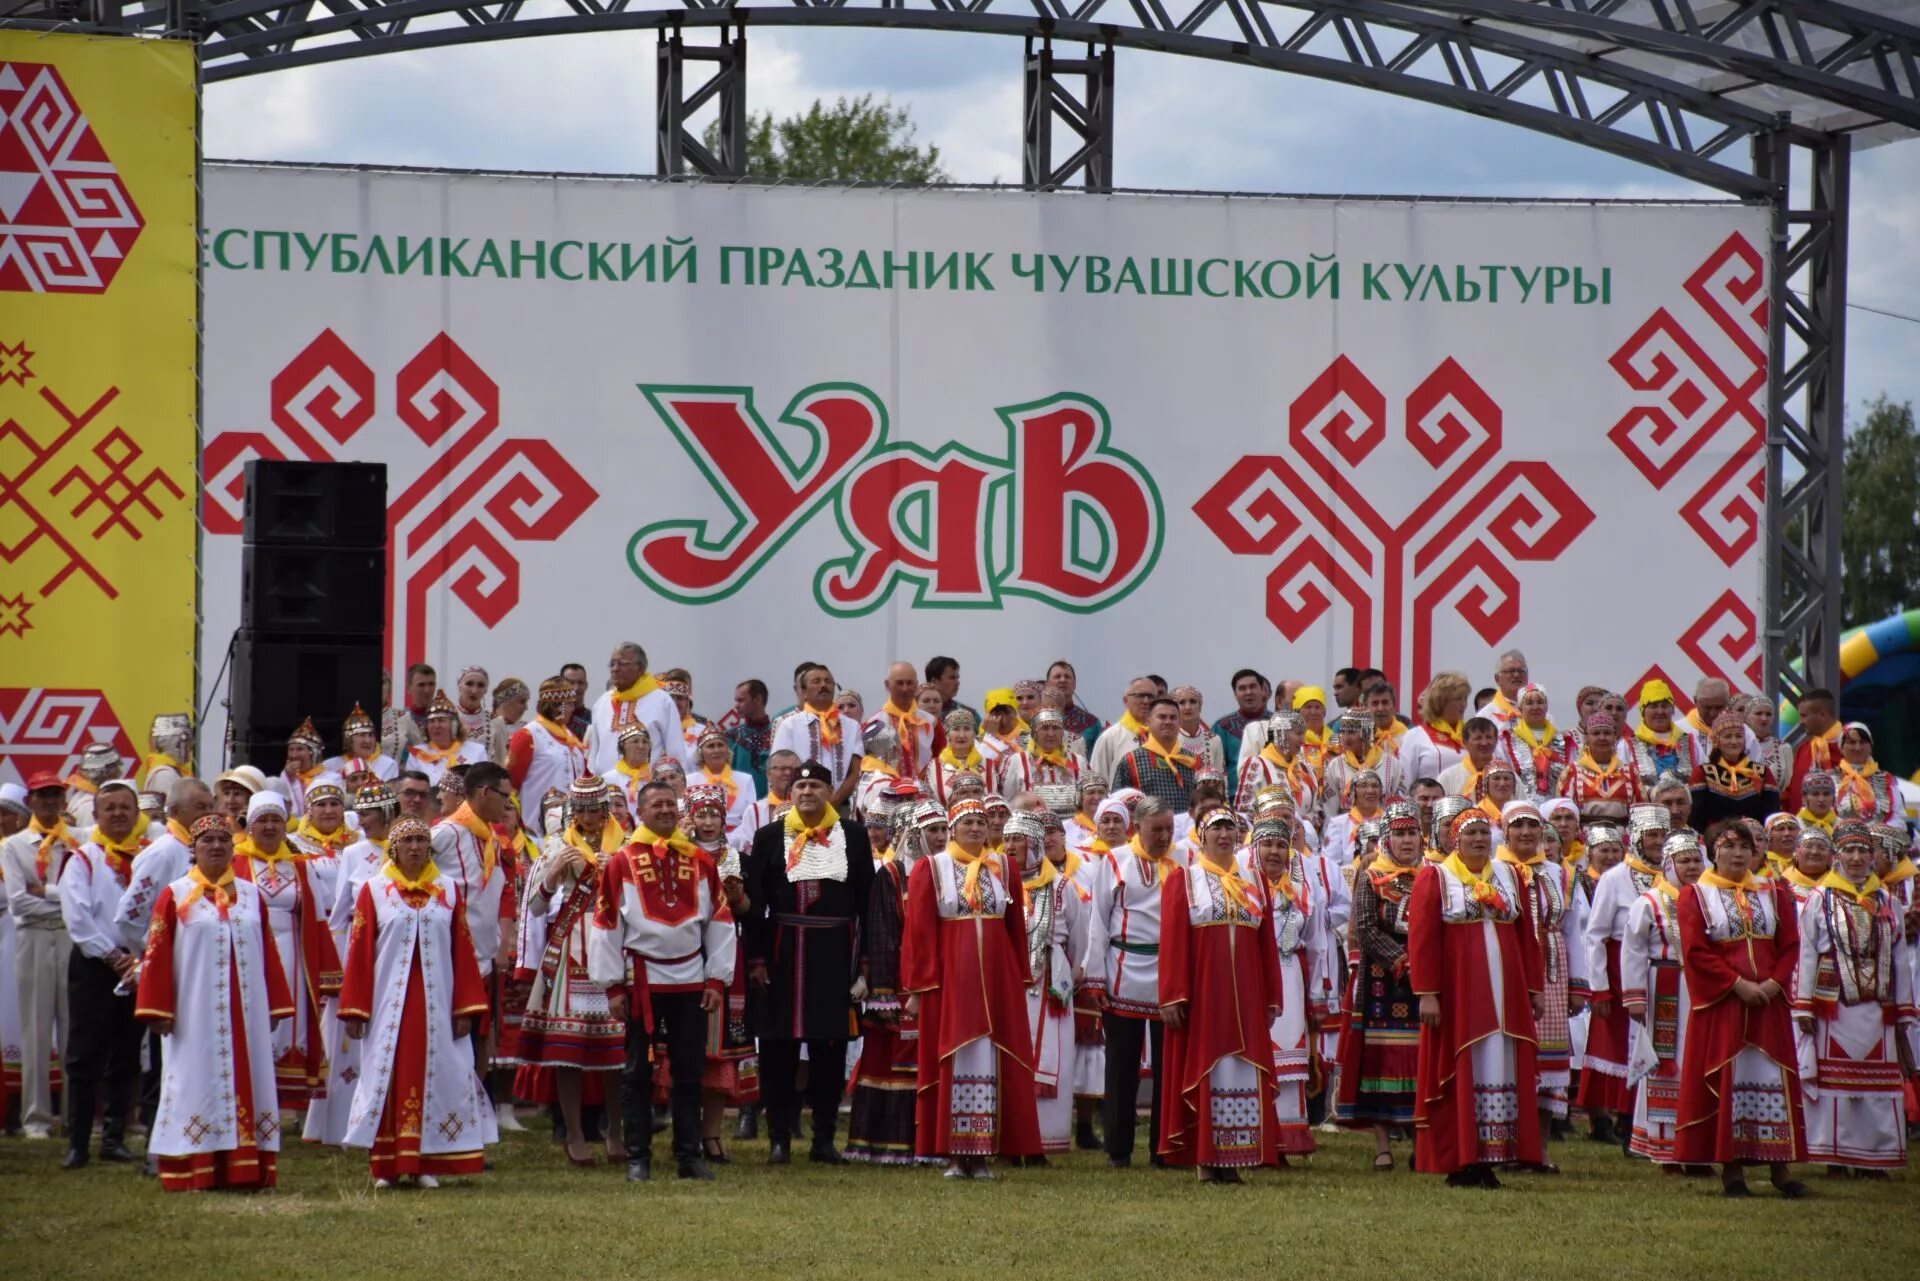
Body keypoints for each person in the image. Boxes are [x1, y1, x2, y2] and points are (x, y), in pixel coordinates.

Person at [136, 815, 295, 1190]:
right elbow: (157, 954)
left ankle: (245, 1169)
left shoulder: (252, 895)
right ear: (194, 848)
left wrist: (275, 1003)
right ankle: (196, 1168)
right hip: (194, 1014)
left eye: (224, 840)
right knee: (196, 1081)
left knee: (248, 1077)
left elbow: (267, 950)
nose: (217, 846)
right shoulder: (175, 896)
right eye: (207, 840)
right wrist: (158, 1008)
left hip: (246, 1013)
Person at [587, 781, 735, 1182]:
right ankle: (639, 1157)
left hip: (691, 977)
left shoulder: (701, 861)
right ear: (641, 811)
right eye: (657, 805)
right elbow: (606, 924)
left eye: (671, 804)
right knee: (636, 1071)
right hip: (642, 979)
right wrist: (612, 986)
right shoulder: (621, 862)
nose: (666, 810)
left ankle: (688, 1156)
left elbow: (720, 921)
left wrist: (716, 979)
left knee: (689, 1069)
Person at [337, 816, 493, 1188]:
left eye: (422, 842)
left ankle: (425, 1161)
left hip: (437, 1004)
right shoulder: (374, 891)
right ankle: (386, 1165)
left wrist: (466, 1007)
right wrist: (355, 1007)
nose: (415, 848)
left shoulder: (448, 891)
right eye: (407, 842)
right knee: (387, 1075)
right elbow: (359, 951)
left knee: (436, 1074)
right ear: (393, 849)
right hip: (389, 1004)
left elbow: (463, 952)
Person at [900, 798, 1042, 1178]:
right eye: (968, 823)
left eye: (981, 822)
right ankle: (953, 1153)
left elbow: (1014, 926)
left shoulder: (1004, 867)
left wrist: (1018, 976)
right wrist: (919, 987)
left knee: (992, 1057)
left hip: (998, 980)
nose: (977, 828)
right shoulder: (931, 868)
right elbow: (919, 930)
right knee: (955, 1055)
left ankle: (982, 1151)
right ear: (952, 830)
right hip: (952, 981)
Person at [743, 760, 874, 1164]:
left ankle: (822, 1139)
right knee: (779, 1050)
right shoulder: (769, 837)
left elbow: (867, 901)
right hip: (783, 951)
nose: (807, 792)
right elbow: (754, 905)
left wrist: (866, 962)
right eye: (800, 786)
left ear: (830, 792)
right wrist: (757, 959)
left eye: (816, 785)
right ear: (789, 793)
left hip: (834, 951)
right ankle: (778, 1138)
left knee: (829, 1050)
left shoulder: (853, 836)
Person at [1408, 809, 1545, 1186]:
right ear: (1455, 840)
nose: (1480, 840)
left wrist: (1534, 988)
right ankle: (1463, 1157)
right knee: (1464, 1063)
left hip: (1507, 992)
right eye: (1471, 834)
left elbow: (1525, 936)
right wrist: (1427, 993)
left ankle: (1495, 1150)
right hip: (1460, 991)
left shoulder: (1510, 876)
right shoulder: (1436, 877)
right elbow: (1422, 940)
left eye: (1485, 832)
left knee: (1501, 1060)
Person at [1674, 818, 1809, 1197]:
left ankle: (1780, 1167)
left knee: (1771, 1078)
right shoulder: (1696, 895)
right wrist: (1737, 985)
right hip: (1724, 1003)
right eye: (1728, 846)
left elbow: (1790, 944)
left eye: (1744, 847)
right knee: (1729, 1079)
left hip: (1767, 1001)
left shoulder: (1775, 891)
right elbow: (1695, 951)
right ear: (1712, 853)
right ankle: (1731, 1169)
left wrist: (1773, 983)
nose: (1737, 853)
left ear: (1756, 852)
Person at [1152, 808, 1284, 1182]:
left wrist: (1272, 996)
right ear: (1201, 835)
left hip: (1246, 992)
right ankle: (1205, 1160)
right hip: (1205, 993)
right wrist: (1173, 994)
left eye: (1230, 828)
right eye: (1216, 829)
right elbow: (1173, 941)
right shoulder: (1186, 880)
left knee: (1242, 1066)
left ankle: (1236, 1156)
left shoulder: (1254, 880)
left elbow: (1266, 944)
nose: (1224, 835)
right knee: (1208, 1064)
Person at [511, 776, 629, 1166]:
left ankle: (615, 1129)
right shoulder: (558, 848)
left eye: (595, 809)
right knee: (569, 1049)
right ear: (571, 813)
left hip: (614, 948)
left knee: (617, 1045)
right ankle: (574, 1131)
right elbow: (536, 906)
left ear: (606, 810)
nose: (589, 817)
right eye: (581, 810)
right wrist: (554, 873)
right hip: (572, 950)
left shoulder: (626, 846)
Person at [1794, 820, 1915, 1177]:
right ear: (1837, 857)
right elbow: (1806, 952)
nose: (1858, 857)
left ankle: (1873, 1156)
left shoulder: (1886, 900)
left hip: (1878, 1006)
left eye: (1864, 850)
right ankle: (1834, 1156)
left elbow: (1899, 957)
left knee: (1875, 1082)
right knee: (1836, 1083)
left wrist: (1905, 1007)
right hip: (1832, 1003)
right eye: (1849, 850)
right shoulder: (1820, 898)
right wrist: (1802, 1002)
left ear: (1874, 856)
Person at [1085, 795, 1185, 1167]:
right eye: (1155, 830)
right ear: (1136, 828)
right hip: (1123, 968)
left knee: (1168, 1064)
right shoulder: (1115, 861)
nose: (1163, 837)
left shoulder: (1183, 861)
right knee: (1121, 1064)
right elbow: (1097, 920)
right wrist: (1096, 978)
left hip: (1168, 973)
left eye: (1168, 829)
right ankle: (1118, 1148)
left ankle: (1163, 1148)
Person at [230, 790, 341, 1111]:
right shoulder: (236, 862)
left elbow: (319, 918)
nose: (269, 827)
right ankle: (250, 1096)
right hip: (252, 954)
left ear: (285, 825)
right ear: (249, 825)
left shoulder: (301, 867)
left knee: (290, 1023)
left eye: (275, 820)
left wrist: (329, 972)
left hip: (293, 955)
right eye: (261, 820)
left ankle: (284, 1101)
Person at [847, 802, 943, 1165]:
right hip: (899, 984)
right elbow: (881, 932)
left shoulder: (949, 871)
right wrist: (884, 994)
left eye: (942, 830)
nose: (938, 837)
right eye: (930, 830)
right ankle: (887, 1142)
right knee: (889, 1062)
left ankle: (932, 1140)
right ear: (910, 832)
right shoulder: (891, 874)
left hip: (939, 982)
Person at [55, 779, 145, 1168]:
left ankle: (113, 1136)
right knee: (84, 1052)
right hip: (95, 966)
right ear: (95, 816)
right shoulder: (83, 859)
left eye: (126, 807)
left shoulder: (146, 857)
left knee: (126, 1050)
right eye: (110, 808)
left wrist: (137, 958)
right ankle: (77, 1141)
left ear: (137, 813)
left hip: (137, 966)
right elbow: (77, 918)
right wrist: (113, 956)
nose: (119, 814)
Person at [1337, 801, 1424, 1168]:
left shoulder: (1432, 874)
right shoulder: (1370, 875)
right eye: (1400, 834)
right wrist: (1403, 962)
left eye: (1412, 833)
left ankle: (1423, 1141)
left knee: (1423, 1057)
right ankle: (1383, 1146)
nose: (1407, 840)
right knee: (1380, 1056)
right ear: (1387, 838)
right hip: (1380, 981)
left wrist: (1425, 964)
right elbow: (1367, 928)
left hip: (1424, 979)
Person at [1242, 812, 1331, 1165]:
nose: (1275, 852)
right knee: (1257, 1056)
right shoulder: (1243, 887)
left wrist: (1317, 995)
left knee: (1289, 1064)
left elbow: (1316, 944)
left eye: (1281, 844)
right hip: (1255, 977)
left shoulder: (1302, 892)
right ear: (1254, 849)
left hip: (1290, 975)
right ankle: (1256, 1138)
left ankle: (1285, 1142)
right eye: (1267, 844)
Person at [1497, 799, 1586, 1146]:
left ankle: (1541, 1145)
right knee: (1510, 1054)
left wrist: (1578, 985)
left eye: (1532, 826)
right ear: (1505, 831)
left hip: (1551, 965)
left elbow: (1572, 930)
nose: (1525, 832)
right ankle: (1507, 1138)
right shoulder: (1493, 871)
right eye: (1517, 825)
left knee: (1549, 1062)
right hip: (1508, 965)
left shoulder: (1557, 873)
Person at [1621, 830, 1709, 1169]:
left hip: (1702, 985)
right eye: (1683, 860)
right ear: (1669, 864)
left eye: (1696, 860)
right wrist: (1635, 996)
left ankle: (1696, 1142)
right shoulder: (1650, 901)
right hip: (1665, 984)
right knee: (1665, 1064)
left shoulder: (1709, 898)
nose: (1691, 866)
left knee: (1698, 1060)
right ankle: (1664, 1146)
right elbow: (1632, 950)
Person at [680, 784, 758, 1164]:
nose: (708, 821)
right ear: (689, 818)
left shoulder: (737, 858)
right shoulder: (677, 853)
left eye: (714, 815)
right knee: (686, 1047)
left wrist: (739, 896)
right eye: (701, 814)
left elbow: (751, 912)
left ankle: (711, 1133)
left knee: (722, 1049)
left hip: (728, 957)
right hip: (685, 954)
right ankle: (686, 1131)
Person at [3, 771, 79, 1139]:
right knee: (35, 1028)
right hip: (31, 938)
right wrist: (62, 900)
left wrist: (45, 892)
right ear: (30, 801)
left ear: (64, 799)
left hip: (68, 938)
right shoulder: (13, 845)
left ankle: (71, 1115)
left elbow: (82, 899)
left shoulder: (78, 841)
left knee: (71, 1027)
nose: (49, 801)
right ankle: (36, 1118)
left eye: (55, 794)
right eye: (42, 794)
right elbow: (18, 904)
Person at [1010, 811, 1087, 1160]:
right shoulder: (995, 880)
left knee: (1053, 1054)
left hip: (1051, 983)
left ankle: (1045, 1140)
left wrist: (1065, 974)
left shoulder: (1060, 886)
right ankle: (1012, 1138)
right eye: (1007, 839)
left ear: (1036, 844)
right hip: (1010, 981)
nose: (1010, 846)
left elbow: (1080, 941)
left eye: (1018, 839)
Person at [771, 662, 865, 806]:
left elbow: (855, 770)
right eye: (816, 681)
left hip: (840, 806)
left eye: (828, 681)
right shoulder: (789, 726)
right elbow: (781, 771)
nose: (823, 685)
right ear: (803, 692)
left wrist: (836, 799)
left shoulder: (851, 726)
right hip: (799, 806)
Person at [506, 676, 589, 837]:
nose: (573, 709)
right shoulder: (529, 734)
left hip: (572, 830)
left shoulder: (570, 737)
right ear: (557, 706)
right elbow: (510, 783)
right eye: (569, 704)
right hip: (535, 829)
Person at [585, 642, 681, 775]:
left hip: (648, 788)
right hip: (607, 788)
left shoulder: (661, 701)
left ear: (640, 668)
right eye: (612, 664)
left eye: (622, 663)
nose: (615, 669)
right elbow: (594, 751)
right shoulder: (602, 703)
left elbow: (675, 749)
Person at [1689, 710, 1780, 829]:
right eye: (1727, 736)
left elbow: (1771, 815)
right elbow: (1696, 818)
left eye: (1739, 736)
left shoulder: (1761, 772)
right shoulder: (1703, 773)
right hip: (1714, 842)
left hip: (1753, 841)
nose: (1734, 741)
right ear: (1717, 741)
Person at [1112, 697, 1198, 814]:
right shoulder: (1131, 761)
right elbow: (1117, 806)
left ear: (1180, 722)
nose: (1168, 721)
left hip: (1187, 831)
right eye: (1162, 717)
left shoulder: (1192, 761)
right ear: (1148, 722)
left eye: (1173, 718)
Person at [1319, 709, 1403, 829]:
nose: (1345, 738)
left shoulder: (1392, 764)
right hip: (1346, 835)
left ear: (1368, 733)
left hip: (1383, 832)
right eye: (1343, 732)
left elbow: (1399, 805)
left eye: (1352, 732)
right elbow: (1330, 812)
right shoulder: (1335, 765)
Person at [1557, 713, 1643, 825]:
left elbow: (1642, 812)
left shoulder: (1630, 772)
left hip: (1623, 838)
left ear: (1615, 737)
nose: (1602, 738)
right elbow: (1561, 813)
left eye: (1607, 733)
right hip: (1585, 838)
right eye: (1596, 733)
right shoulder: (1571, 772)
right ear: (1586, 738)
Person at [1497, 684, 1573, 801]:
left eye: (1540, 702)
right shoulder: (1506, 739)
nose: (1535, 707)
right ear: (1520, 708)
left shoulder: (1563, 740)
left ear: (1546, 707)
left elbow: (1571, 775)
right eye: (1529, 703)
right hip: (1521, 807)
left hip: (1556, 808)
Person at [1398, 671, 1470, 785]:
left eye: (1465, 699)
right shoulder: (1415, 736)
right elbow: (1405, 783)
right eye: (1458, 699)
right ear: (1440, 701)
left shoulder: (1470, 735)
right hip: (1429, 801)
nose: (1464, 704)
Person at [1000, 708, 1083, 803]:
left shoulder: (1078, 762)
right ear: (1034, 733)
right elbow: (1007, 801)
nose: (1051, 734)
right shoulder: (1016, 761)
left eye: (1056, 728)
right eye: (1045, 728)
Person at [406, 689, 486, 785]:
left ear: (454, 726)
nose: (436, 726)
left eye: (441, 720)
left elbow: (483, 785)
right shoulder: (418, 753)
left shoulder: (477, 751)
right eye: (431, 721)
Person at [1781, 687, 1842, 811]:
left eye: (1804, 716)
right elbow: (1791, 790)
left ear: (1822, 714)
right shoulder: (1803, 749)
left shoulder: (1849, 746)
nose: (1800, 722)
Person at [1630, 680, 1700, 788]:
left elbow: (1701, 779)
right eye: (1653, 706)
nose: (1660, 711)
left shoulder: (1690, 742)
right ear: (1643, 711)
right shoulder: (1627, 745)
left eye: (1664, 706)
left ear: (1673, 710)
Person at [1088, 676, 1156, 783]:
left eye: (1151, 696)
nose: (1146, 701)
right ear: (1125, 700)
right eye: (1140, 695)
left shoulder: (1164, 737)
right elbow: (1096, 781)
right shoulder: (1110, 737)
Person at [921, 708, 993, 808]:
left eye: (967, 729)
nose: (962, 735)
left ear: (974, 733)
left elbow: (993, 802)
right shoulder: (935, 766)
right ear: (947, 734)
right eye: (956, 729)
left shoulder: (988, 765)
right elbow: (932, 804)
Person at [1211, 668, 1270, 786]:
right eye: (1242, 688)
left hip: (1274, 798)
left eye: (1253, 687)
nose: (1248, 692)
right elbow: (1214, 768)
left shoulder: (1278, 724)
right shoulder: (1222, 727)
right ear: (1235, 694)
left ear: (1263, 691)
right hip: (1234, 799)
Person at [1832, 723, 1900, 823]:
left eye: (1862, 742)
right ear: (1841, 747)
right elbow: (1825, 816)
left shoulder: (1886, 780)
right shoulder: (1829, 779)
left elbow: (1897, 817)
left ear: (1870, 747)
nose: (1857, 748)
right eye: (1852, 742)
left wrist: (1876, 833)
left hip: (1880, 836)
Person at [324, 704, 400, 782]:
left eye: (371, 735)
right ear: (348, 739)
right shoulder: (330, 765)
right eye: (362, 735)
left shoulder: (388, 764)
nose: (367, 741)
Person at [726, 679, 775, 791]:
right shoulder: (731, 737)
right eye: (736, 700)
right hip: (741, 804)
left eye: (741, 700)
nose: (736, 706)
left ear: (757, 700)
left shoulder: (779, 732)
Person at [1436, 715, 1499, 801]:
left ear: (1496, 741)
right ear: (1464, 743)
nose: (1484, 743)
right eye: (1478, 738)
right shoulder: (1447, 778)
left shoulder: (1508, 777)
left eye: (1488, 737)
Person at [138, 712, 194, 797]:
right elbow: (168, 810)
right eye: (187, 743)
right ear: (174, 743)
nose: (190, 750)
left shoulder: (171, 772)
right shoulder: (164, 775)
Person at [485, 677, 530, 767]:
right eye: (522, 702)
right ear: (506, 702)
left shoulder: (527, 729)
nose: (526, 708)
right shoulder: (487, 728)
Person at [1795, 769, 1840, 838]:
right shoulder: (1795, 826)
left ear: (1833, 797)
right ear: (1805, 797)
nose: (1821, 799)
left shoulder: (1841, 825)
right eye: (1815, 794)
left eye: (1826, 794)